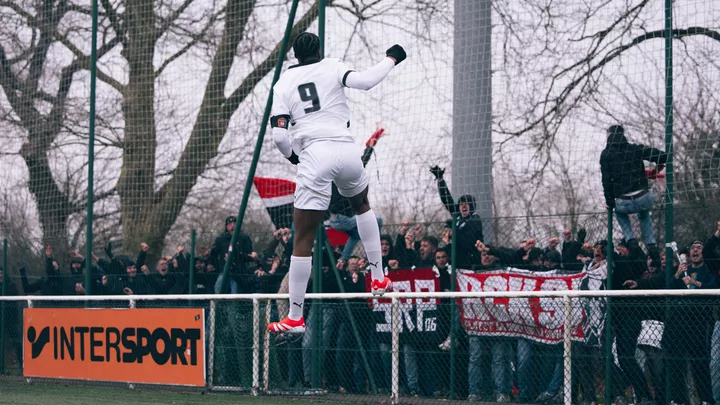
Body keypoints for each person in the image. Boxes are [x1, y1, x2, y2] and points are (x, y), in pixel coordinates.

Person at [267, 32, 406, 333]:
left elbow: (279, 136)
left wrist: (294, 158)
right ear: (319, 50)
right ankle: (379, 276)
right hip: (347, 149)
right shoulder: (332, 65)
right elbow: (367, 81)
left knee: (303, 237)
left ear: (295, 56)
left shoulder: (283, 84)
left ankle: (295, 316)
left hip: (315, 153)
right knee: (362, 206)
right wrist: (392, 57)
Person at [600, 125, 667, 260]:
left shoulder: (606, 154)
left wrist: (609, 202)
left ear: (609, 135)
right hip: (643, 196)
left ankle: (631, 240)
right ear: (623, 134)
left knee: (620, 214)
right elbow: (663, 156)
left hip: (622, 200)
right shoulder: (635, 149)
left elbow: (606, 180)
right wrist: (655, 169)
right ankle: (651, 244)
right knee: (643, 213)